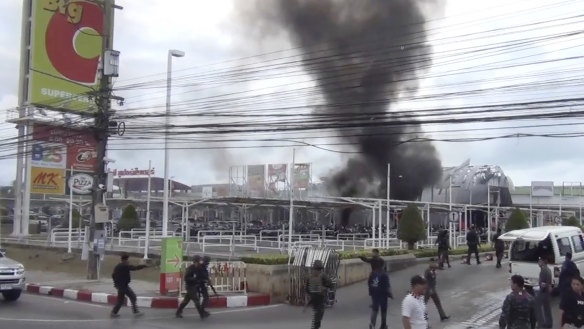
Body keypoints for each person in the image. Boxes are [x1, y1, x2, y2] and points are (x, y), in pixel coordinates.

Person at [111, 253, 147, 318]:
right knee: (132, 297)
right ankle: (136, 312)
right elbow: (134, 268)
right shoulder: (124, 266)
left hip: (121, 285)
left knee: (121, 300)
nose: (128, 261)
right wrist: (143, 266)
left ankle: (114, 312)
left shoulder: (118, 266)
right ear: (125, 260)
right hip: (123, 286)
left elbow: (113, 275)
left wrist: (116, 284)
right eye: (127, 260)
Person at [305, 260, 333, 329]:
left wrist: (310, 294)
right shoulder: (322, 274)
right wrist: (325, 287)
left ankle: (315, 325)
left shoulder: (310, 275)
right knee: (320, 312)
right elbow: (330, 283)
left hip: (313, 297)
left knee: (316, 311)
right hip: (320, 296)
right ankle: (316, 326)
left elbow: (306, 288)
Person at [537, 257, 553, 328]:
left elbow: (544, 283)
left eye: (539, 261)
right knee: (546, 308)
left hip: (544, 291)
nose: (538, 263)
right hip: (546, 291)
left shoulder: (544, 270)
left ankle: (545, 323)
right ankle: (548, 323)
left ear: (543, 262)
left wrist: (540, 290)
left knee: (541, 308)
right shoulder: (547, 269)